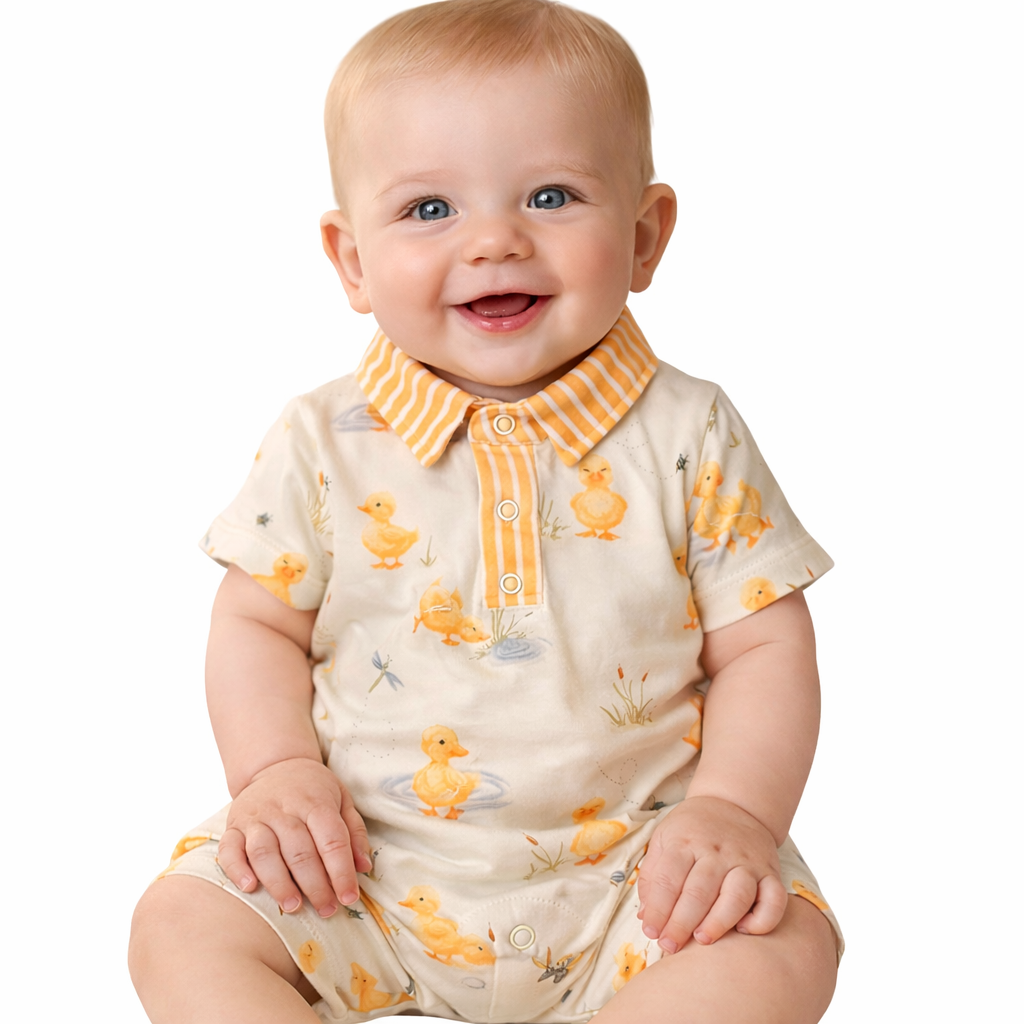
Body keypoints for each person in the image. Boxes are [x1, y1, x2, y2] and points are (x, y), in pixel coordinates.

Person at [128, 2, 842, 1021]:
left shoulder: (689, 430)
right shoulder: (322, 439)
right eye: (429, 210)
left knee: (779, 949)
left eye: (551, 196)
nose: (495, 241)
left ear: (644, 237)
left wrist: (732, 812)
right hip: (361, 868)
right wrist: (277, 771)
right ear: (351, 260)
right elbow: (254, 622)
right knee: (179, 925)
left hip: (637, 875)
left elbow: (766, 645)